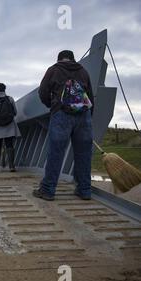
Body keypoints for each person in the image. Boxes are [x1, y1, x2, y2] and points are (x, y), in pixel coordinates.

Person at [33, 50, 94, 201]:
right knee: (83, 154)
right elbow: (90, 96)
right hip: (83, 116)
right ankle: (84, 190)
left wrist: (52, 106)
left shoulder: (54, 69)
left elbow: (43, 92)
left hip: (61, 114)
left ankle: (47, 190)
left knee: (56, 153)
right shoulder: (83, 71)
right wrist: (87, 117)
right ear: (73, 59)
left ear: (59, 59)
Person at [0, 83, 21, 172]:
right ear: (4, 90)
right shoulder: (10, 99)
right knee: (9, 145)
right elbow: (15, 111)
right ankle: (11, 166)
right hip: (9, 125)